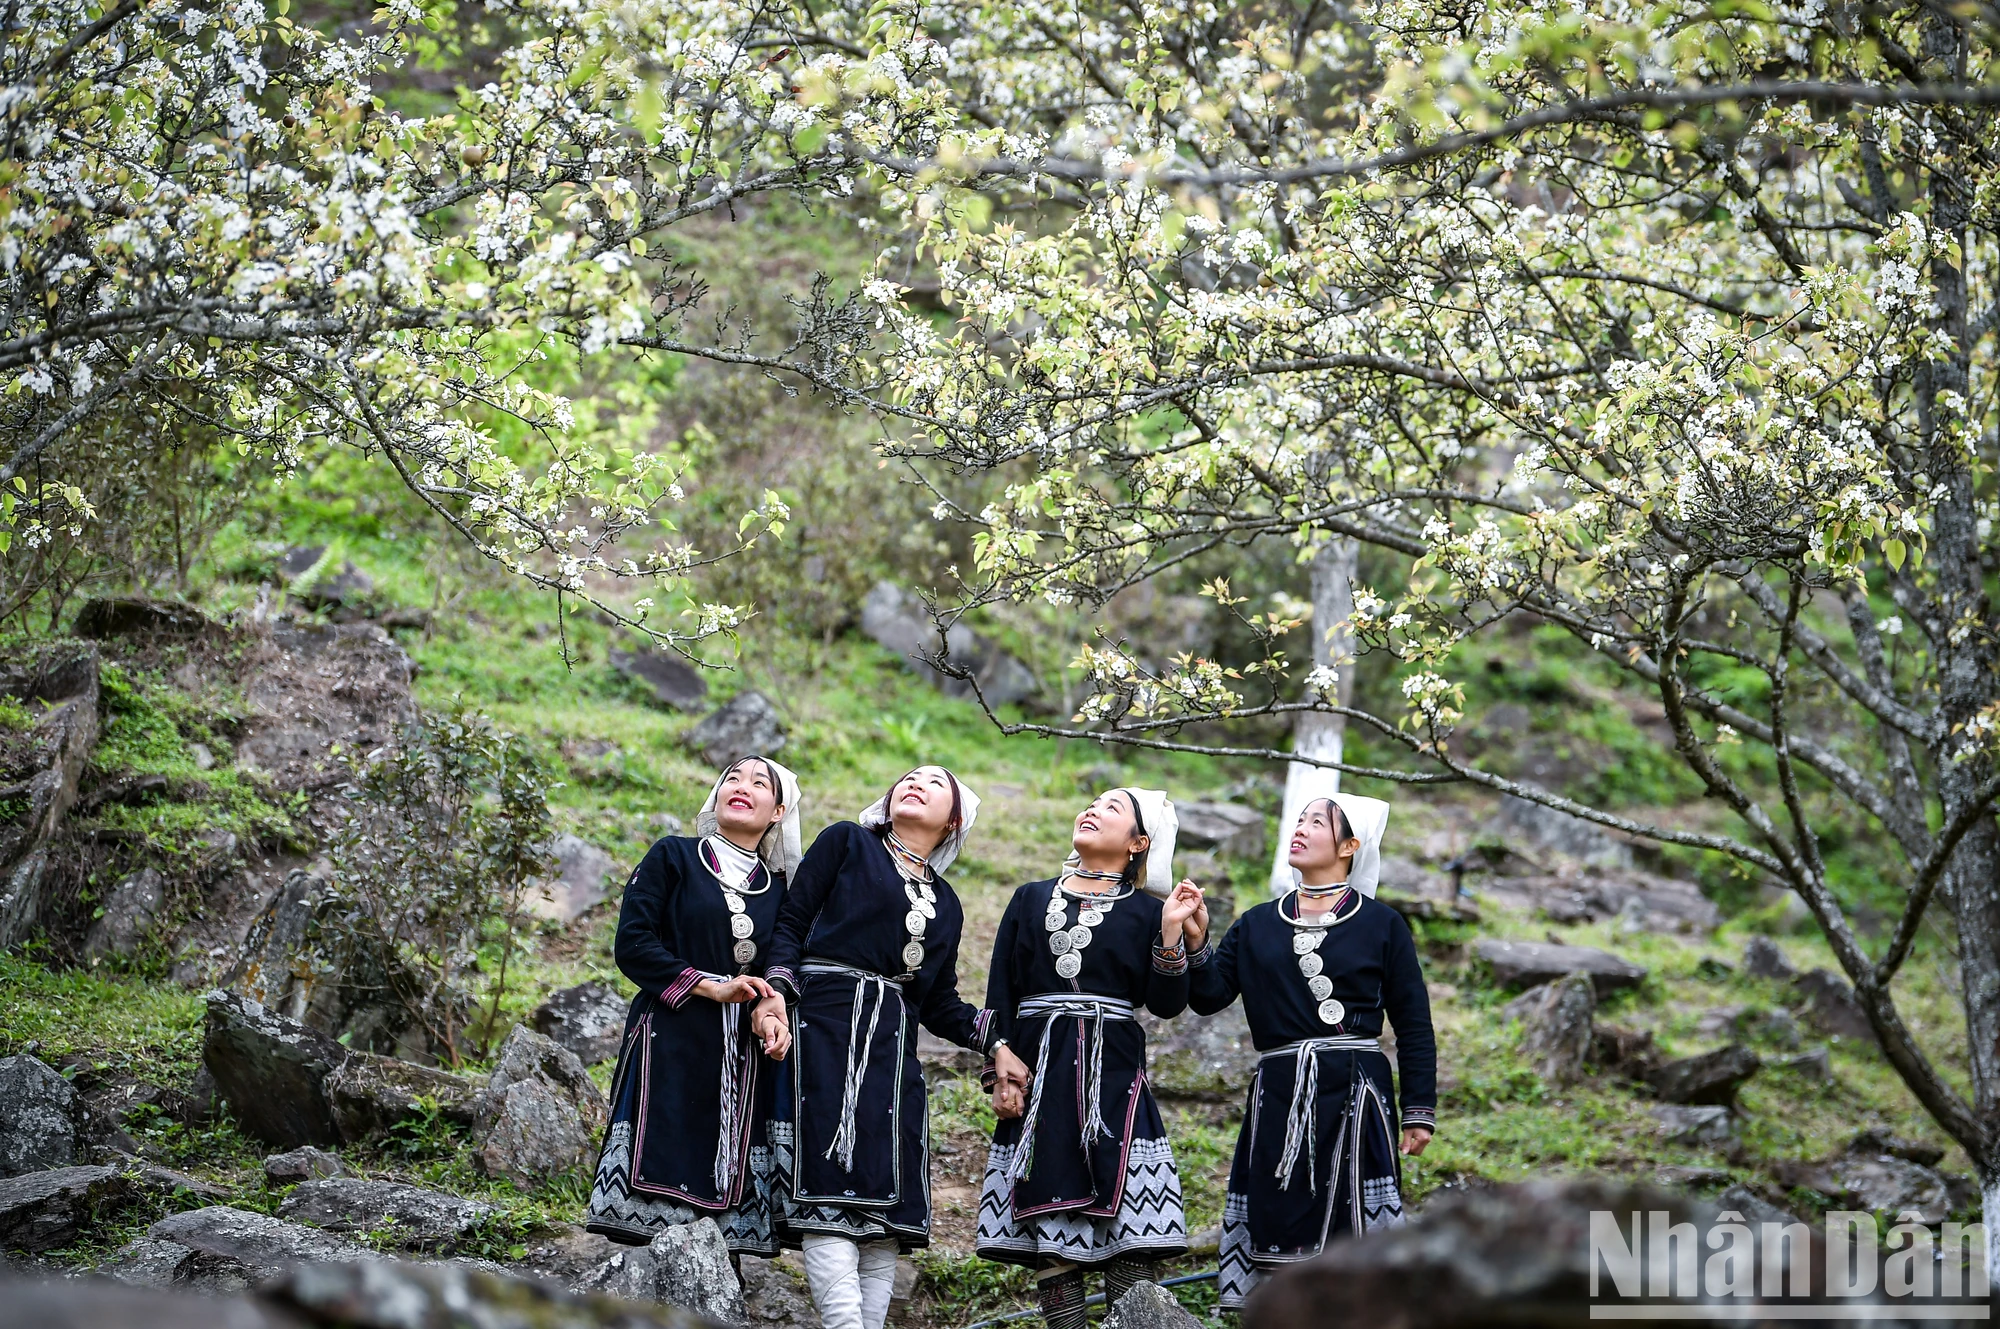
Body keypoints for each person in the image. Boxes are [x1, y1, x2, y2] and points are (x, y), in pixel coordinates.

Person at [751, 765, 1004, 1329]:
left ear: (955, 819)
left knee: (881, 1205)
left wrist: (997, 1039)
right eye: (908, 778)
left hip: (892, 1058)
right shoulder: (847, 842)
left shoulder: (947, 902)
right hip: (822, 1026)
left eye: (935, 784)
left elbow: (939, 1003)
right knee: (826, 1191)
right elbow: (791, 923)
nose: (915, 784)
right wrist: (775, 994)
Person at [1185, 794, 1436, 1313]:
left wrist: (1418, 1111)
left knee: (1351, 1229)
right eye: (1297, 820)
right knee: (1279, 1218)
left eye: (1316, 822)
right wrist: (1197, 940)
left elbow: (1413, 1023)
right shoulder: (1257, 923)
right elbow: (1208, 996)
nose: (1299, 829)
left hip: (1355, 1092)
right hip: (1279, 1092)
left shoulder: (1382, 924)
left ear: (1349, 846)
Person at [976, 788, 1202, 1329]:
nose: (1093, 810)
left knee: (1128, 1234)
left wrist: (1171, 934)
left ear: (1138, 843)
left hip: (1115, 1077)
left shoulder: (1150, 910)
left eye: (1113, 809)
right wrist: (999, 1066)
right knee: (1051, 1229)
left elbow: (1168, 1005)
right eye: (1093, 803)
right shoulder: (1030, 898)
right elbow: (1000, 991)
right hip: (1040, 1073)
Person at [586, 755, 801, 1256]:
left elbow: (785, 961)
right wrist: (709, 986)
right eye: (732, 777)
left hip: (742, 1057)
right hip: (671, 1035)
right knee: (659, 1170)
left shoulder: (782, 892)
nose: (741, 786)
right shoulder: (674, 857)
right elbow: (633, 944)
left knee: (724, 1210)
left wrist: (773, 1008)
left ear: (778, 811)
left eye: (758, 782)